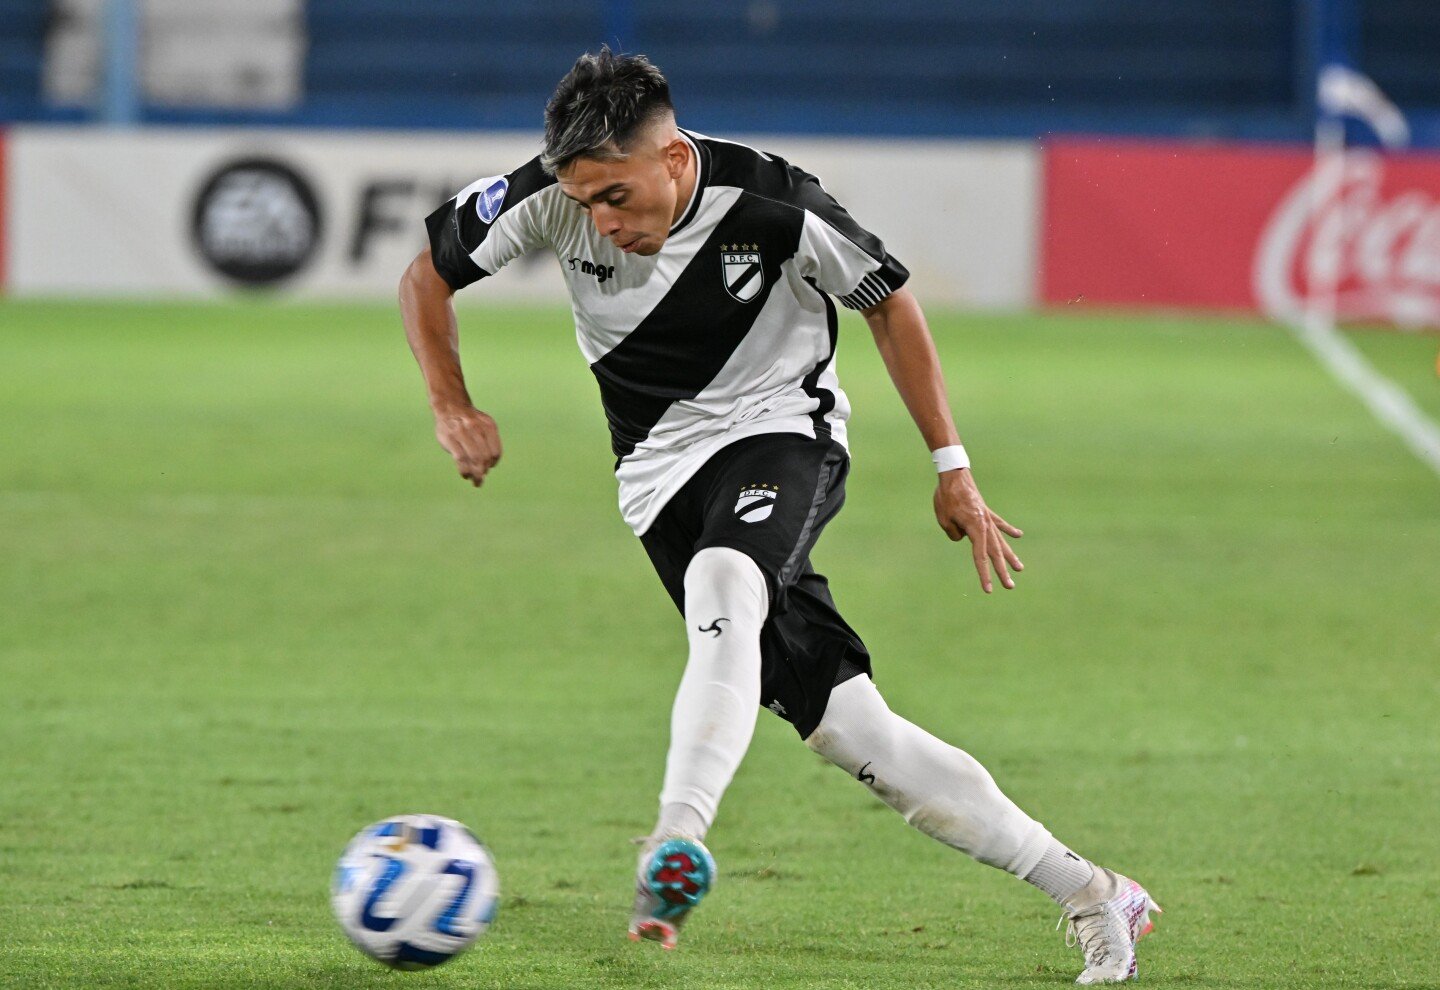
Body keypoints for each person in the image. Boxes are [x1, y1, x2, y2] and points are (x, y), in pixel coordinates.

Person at [399, 47, 1159, 984]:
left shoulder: (776, 205)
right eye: (585, 201)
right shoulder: (547, 192)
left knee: (728, 577)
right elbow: (424, 277)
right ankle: (1093, 891)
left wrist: (951, 466)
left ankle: (676, 841)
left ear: (673, 158)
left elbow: (889, 302)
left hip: (782, 435)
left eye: (617, 198)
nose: (598, 221)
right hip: (657, 479)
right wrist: (451, 404)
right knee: (854, 731)